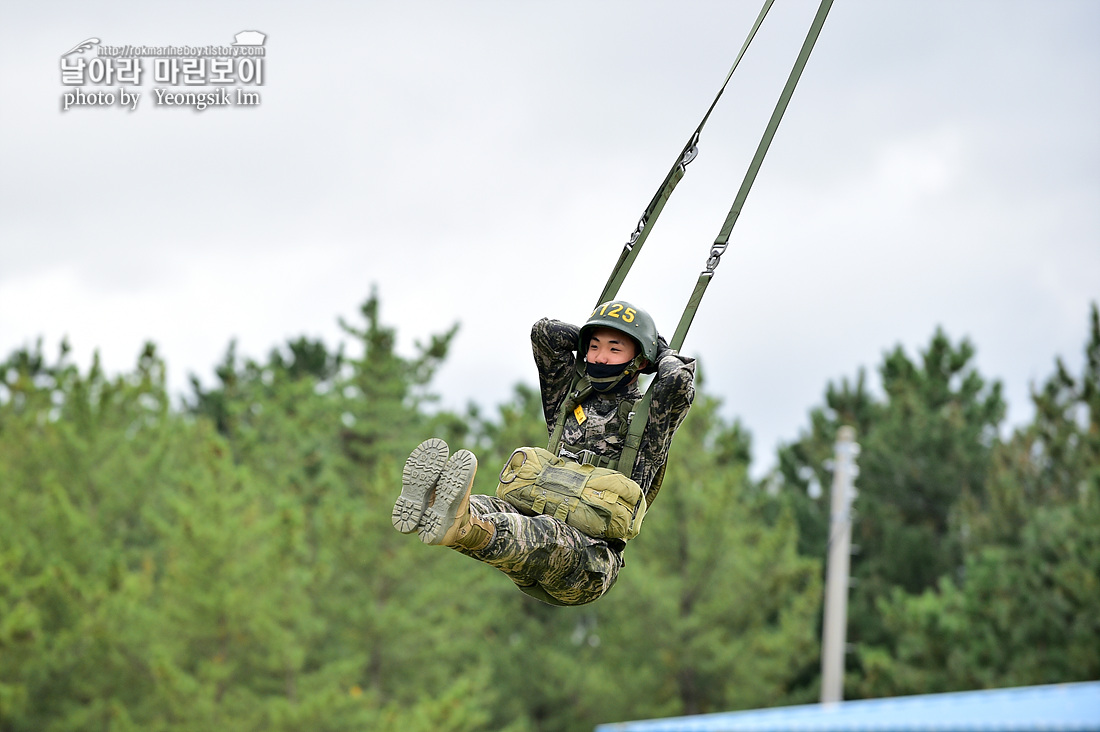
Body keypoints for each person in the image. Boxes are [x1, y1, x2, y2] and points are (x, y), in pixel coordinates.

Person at [391, 300, 696, 606]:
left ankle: (461, 528)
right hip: (531, 536)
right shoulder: (569, 399)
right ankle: (434, 509)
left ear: (640, 361)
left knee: (543, 532)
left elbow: (679, 381)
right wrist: (596, 332)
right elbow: (546, 334)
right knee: (486, 508)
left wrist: (659, 354)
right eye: (593, 347)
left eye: (615, 349)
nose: (600, 358)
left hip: (589, 562)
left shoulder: (649, 420)